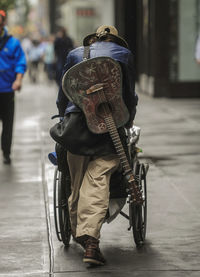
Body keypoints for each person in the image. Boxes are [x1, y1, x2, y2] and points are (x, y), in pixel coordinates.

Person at [56, 25, 138, 265]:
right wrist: (129, 121)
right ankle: (91, 242)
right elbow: (129, 97)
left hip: (76, 128)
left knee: (76, 181)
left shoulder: (74, 54)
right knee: (98, 177)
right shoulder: (124, 55)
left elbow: (63, 94)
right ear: (116, 40)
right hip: (109, 129)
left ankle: (79, 232)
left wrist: (63, 117)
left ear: (91, 40)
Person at [0, 10, 27, 164]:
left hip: (7, 90)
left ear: (3, 24)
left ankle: (6, 153)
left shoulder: (13, 43)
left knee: (7, 125)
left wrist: (18, 80)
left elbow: (20, 62)